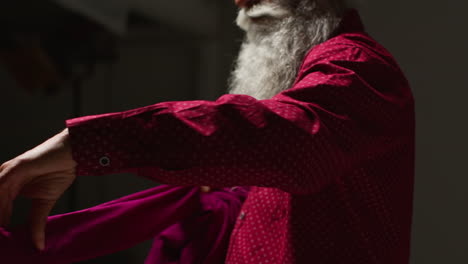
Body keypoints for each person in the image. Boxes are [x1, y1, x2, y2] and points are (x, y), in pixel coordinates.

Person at [0, 0, 415, 263]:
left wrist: (87, 145)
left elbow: (284, 142)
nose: (240, 4)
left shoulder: (357, 67)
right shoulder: (307, 80)